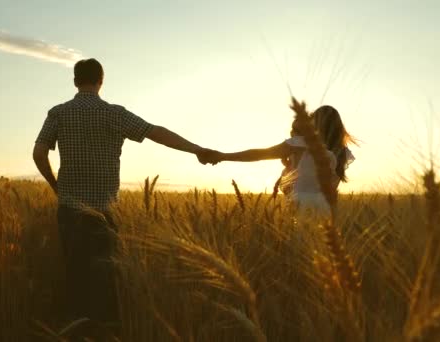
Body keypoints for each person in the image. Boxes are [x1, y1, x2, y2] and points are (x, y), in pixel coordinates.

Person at [32, 58, 213, 337]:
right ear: (101, 80)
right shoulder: (114, 114)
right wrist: (197, 149)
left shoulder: (58, 113)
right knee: (105, 279)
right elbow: (157, 133)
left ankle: (76, 331)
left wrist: (55, 185)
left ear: (75, 81)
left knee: (75, 273)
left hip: (69, 209)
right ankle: (102, 332)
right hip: (104, 213)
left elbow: (39, 153)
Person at [201, 105, 355, 215]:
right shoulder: (343, 152)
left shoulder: (300, 142)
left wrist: (223, 156)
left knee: (298, 249)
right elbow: (330, 189)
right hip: (326, 208)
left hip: (299, 203)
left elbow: (259, 154)